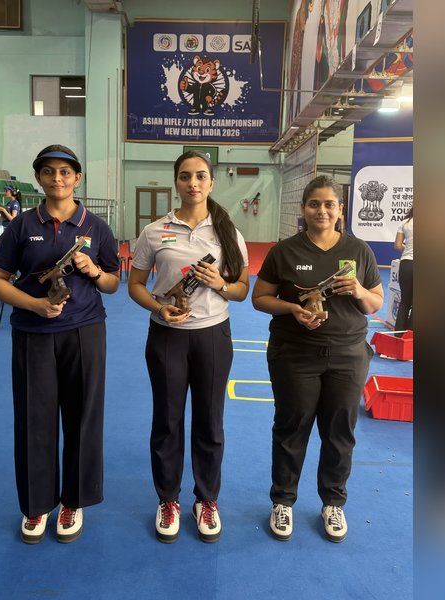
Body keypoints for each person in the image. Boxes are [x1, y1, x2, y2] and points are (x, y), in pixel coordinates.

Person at [0, 145, 120, 544]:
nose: (57, 179)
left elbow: (113, 283)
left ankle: (72, 502)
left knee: (82, 418)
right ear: (40, 178)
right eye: (48, 172)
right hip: (33, 334)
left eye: (65, 172)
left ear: (77, 178)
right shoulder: (22, 225)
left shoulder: (96, 227)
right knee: (34, 420)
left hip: (85, 333)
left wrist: (94, 270)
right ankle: (36, 506)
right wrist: (34, 304)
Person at [251, 175, 383, 543]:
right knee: (292, 427)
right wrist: (292, 308)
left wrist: (358, 289)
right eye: (314, 204)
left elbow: (376, 302)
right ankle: (283, 501)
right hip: (295, 355)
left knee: (340, 432)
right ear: (303, 209)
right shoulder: (285, 251)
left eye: (329, 204)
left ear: (340, 209)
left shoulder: (359, 251)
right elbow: (260, 298)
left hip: (347, 355)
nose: (321, 211)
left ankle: (333, 502)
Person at [128, 151, 249, 544]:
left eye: (200, 176)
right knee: (167, 420)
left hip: (213, 336)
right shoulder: (154, 231)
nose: (193, 183)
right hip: (166, 337)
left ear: (211, 182)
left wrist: (219, 284)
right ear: (176, 183)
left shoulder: (229, 233)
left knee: (210, 421)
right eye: (185, 176)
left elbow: (242, 290)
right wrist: (160, 307)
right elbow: (135, 285)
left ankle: (206, 499)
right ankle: (168, 499)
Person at [393, 206, 413, 331]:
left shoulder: (405, 223)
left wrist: (409, 249)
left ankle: (398, 335)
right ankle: (410, 337)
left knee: (404, 302)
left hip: (406, 264)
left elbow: (397, 245)